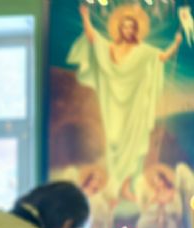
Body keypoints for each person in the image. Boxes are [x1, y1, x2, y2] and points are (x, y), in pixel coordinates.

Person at [70, 4, 182, 202]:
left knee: (133, 146)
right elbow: (93, 38)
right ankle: (114, 186)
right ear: (119, 28)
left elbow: (163, 57)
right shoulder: (110, 48)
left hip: (135, 107)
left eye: (131, 27)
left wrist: (176, 43)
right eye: (125, 26)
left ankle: (125, 187)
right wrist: (86, 17)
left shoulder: (143, 51)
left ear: (136, 30)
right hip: (113, 105)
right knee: (114, 142)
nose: (128, 30)